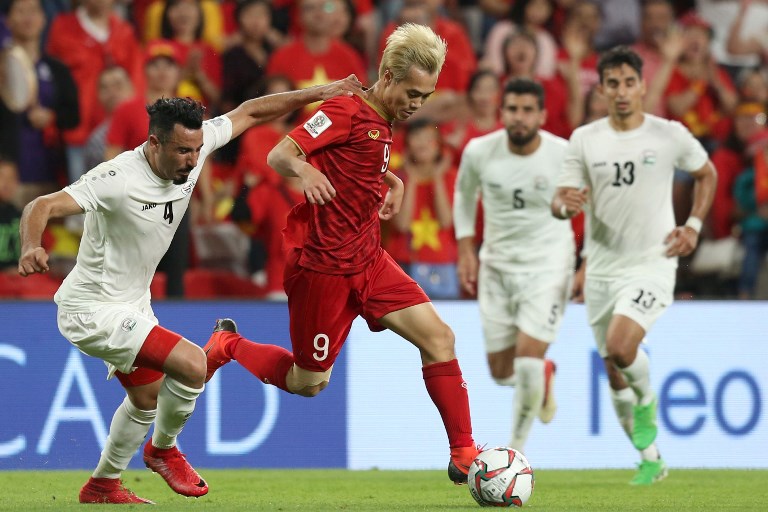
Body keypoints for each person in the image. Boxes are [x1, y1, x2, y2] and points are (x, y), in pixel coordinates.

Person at [17, 76, 364, 504]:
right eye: (182, 151)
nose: (192, 160)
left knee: (146, 399)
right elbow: (42, 205)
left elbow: (251, 111)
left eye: (197, 150)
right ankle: (163, 452)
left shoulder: (195, 148)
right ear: (154, 143)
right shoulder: (115, 176)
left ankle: (102, 484)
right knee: (192, 363)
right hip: (91, 307)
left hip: (132, 304)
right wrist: (32, 245)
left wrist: (320, 93)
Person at [204, 23, 481, 485]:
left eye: (426, 97)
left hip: (370, 260)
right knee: (307, 384)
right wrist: (303, 173)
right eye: (412, 92)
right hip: (324, 271)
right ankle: (228, 345)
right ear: (388, 76)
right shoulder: (343, 109)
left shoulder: (384, 119)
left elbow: (357, 160)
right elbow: (280, 154)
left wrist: (389, 180)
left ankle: (465, 454)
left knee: (440, 340)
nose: (417, 104)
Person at [552, 46, 717, 485]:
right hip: (603, 268)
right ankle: (651, 458)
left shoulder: (668, 134)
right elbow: (562, 201)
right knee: (612, 366)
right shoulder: (585, 139)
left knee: (623, 348)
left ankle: (647, 401)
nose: (622, 91)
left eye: (629, 82)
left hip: (653, 262)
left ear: (643, 86)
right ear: (601, 89)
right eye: (613, 83)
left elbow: (707, 173)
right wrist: (564, 205)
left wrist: (694, 226)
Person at [453, 78, 572, 453]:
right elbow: (464, 194)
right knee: (502, 372)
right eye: (512, 109)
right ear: (501, 112)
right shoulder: (479, 151)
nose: (519, 118)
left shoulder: (564, 155)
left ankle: (514, 453)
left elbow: (587, 207)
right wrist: (465, 248)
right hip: (497, 266)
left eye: (527, 110)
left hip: (549, 266)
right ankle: (544, 374)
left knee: (525, 360)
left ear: (542, 115)